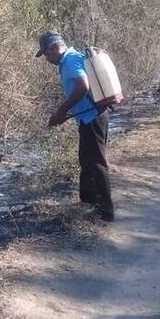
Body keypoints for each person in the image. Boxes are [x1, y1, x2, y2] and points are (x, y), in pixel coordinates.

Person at [36, 30, 115, 221]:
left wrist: (61, 112)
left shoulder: (70, 61)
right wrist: (65, 114)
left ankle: (105, 211)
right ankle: (87, 202)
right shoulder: (69, 60)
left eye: (46, 53)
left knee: (96, 163)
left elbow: (83, 86)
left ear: (55, 47)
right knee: (86, 160)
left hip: (93, 118)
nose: (46, 58)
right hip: (88, 117)